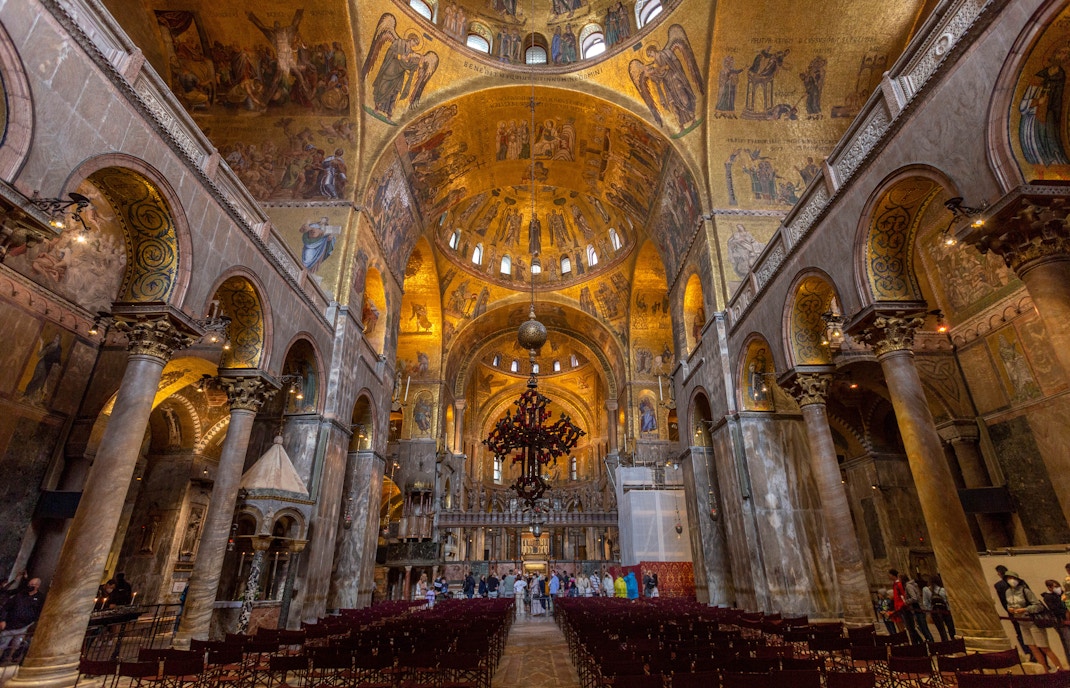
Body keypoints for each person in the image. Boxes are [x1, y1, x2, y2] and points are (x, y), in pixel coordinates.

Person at [1005, 570, 1063, 673]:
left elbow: (1038, 605)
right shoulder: (1008, 592)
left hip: (1032, 621)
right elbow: (1009, 604)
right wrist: (1010, 609)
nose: (1011, 580)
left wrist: (1025, 609)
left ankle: (1061, 670)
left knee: (1044, 646)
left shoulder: (1025, 590)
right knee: (1033, 647)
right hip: (1021, 622)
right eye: (1008, 578)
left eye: (1012, 578)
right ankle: (1044, 670)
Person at [996, 564, 1035, 661]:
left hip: (1023, 611)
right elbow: (1005, 602)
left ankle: (1031, 653)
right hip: (1016, 612)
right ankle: (1031, 654)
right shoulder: (1001, 586)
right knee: (1022, 634)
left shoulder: (1020, 585)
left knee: (1026, 634)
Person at [0, 577, 44, 663]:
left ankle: (8, 661)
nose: (30, 586)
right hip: (10, 625)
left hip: (24, 626)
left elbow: (39, 612)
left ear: (37, 586)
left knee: (16, 646)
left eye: (32, 585)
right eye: (29, 584)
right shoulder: (20, 595)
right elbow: (6, 607)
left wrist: (33, 623)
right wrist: (2, 620)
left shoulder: (40, 598)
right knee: (3, 643)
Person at [891, 569, 922, 644]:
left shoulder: (901, 585)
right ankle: (918, 642)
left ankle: (918, 643)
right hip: (902, 607)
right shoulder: (897, 584)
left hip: (905, 607)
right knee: (909, 627)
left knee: (911, 627)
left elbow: (906, 596)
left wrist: (904, 603)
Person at [1043, 579, 1070, 660]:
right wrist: (1065, 611)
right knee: (1068, 642)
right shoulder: (1048, 597)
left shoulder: (1062, 594)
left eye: (1058, 586)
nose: (1058, 588)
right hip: (1061, 622)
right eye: (1056, 587)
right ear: (1049, 588)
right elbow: (1055, 609)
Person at [925, 574, 955, 642]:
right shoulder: (943, 590)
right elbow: (947, 601)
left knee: (941, 630)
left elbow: (926, 603)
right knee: (950, 627)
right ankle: (953, 641)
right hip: (945, 610)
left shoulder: (926, 590)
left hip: (934, 611)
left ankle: (945, 642)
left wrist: (929, 613)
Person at [909, 574, 934, 643]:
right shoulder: (915, 587)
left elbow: (917, 599)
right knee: (922, 627)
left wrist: (906, 601)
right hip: (920, 610)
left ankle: (930, 641)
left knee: (923, 628)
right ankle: (930, 641)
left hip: (919, 610)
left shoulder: (923, 589)